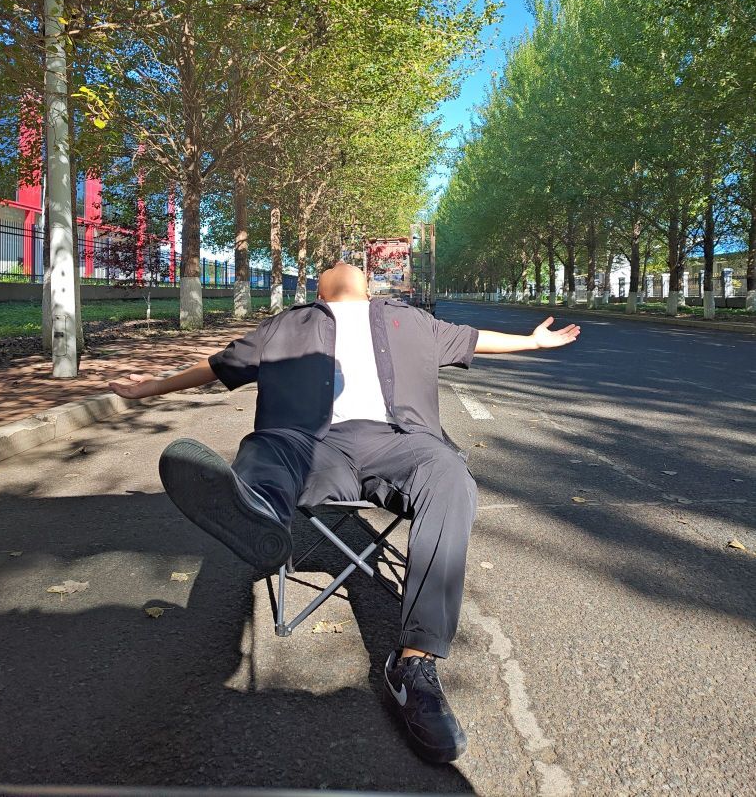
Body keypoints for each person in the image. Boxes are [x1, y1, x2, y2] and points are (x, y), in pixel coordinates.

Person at [109, 262, 579, 764]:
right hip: (315, 447)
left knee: (445, 474)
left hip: (399, 445)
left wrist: (151, 388)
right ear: (361, 286)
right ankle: (256, 512)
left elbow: (214, 366)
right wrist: (532, 343)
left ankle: (413, 665)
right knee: (270, 448)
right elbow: (223, 363)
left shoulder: (404, 319)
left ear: (323, 288)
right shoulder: (291, 322)